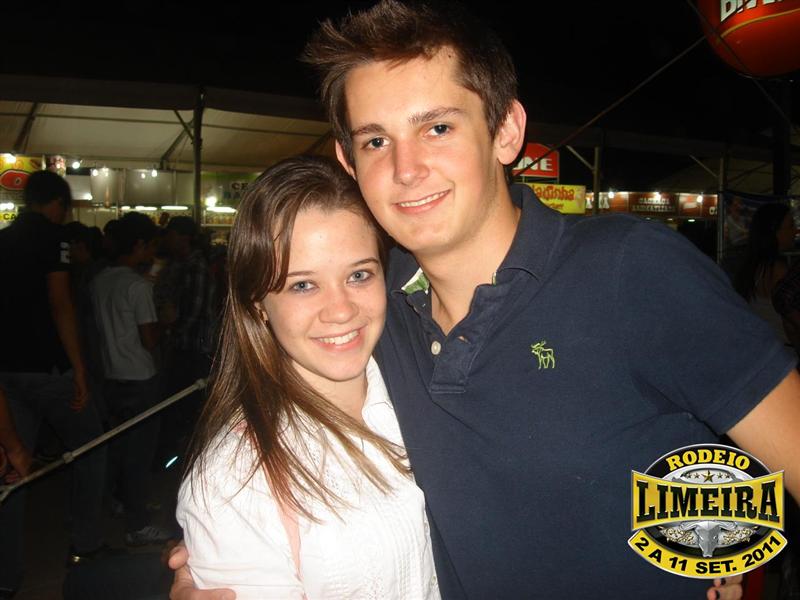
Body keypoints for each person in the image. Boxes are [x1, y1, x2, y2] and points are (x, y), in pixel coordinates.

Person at [171, 1, 800, 598]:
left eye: (438, 127)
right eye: (376, 141)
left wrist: (732, 544)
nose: (406, 168)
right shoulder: (372, 306)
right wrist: (220, 550)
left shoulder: (630, 271)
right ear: (348, 162)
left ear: (505, 131)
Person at [176, 155, 438, 599]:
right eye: (303, 285)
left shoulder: (431, 389)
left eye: (359, 275)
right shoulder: (234, 479)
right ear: (258, 302)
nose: (341, 310)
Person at [0, 171, 107, 591]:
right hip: (49, 369)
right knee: (92, 449)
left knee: (14, 465)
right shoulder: (54, 238)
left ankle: (7, 574)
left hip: (7, 372)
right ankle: (85, 543)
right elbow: (60, 303)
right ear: (58, 204)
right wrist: (78, 368)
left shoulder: (4, 238)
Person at [91, 211, 172, 547]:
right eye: (149, 246)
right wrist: (166, 321)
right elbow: (149, 339)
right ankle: (137, 523)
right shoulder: (137, 287)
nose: (152, 253)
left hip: (111, 374)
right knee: (139, 453)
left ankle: (120, 501)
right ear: (138, 245)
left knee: (119, 447)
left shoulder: (99, 281)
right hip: (140, 376)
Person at [733, 202, 796, 345]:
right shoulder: (778, 270)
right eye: (790, 226)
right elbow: (792, 322)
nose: (796, 231)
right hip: (783, 348)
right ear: (775, 231)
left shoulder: (752, 267)